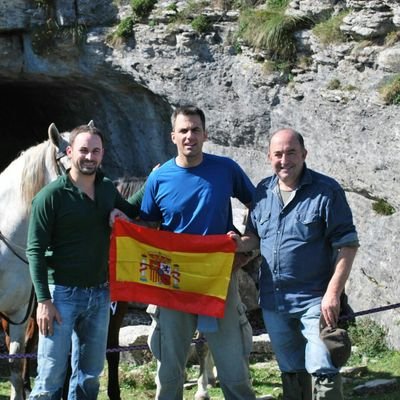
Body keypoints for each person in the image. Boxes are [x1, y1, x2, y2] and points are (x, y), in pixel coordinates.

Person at [231, 128, 359, 400]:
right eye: (278, 154)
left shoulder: (327, 191)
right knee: (290, 369)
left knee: (322, 367)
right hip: (273, 302)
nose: (284, 159)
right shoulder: (262, 192)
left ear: (304, 154)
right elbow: (254, 238)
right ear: (269, 157)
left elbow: (347, 245)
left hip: (316, 301)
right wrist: (237, 243)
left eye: (291, 152)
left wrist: (333, 294)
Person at [140, 105, 257, 400]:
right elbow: (147, 228)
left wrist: (248, 243)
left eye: (195, 130)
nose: (189, 136)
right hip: (174, 283)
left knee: (234, 369)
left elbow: (261, 204)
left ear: (205, 134)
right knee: (169, 372)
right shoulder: (159, 178)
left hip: (218, 279)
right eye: (183, 130)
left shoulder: (226, 169)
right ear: (173, 136)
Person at [26, 124, 144, 400]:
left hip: (99, 294)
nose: (89, 157)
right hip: (61, 296)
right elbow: (35, 250)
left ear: (102, 154)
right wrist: (44, 301)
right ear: (69, 152)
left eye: (95, 151)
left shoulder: (105, 188)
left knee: (89, 378)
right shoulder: (50, 197)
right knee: (50, 378)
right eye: (83, 150)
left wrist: (155, 178)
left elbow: (133, 210)